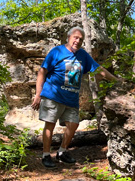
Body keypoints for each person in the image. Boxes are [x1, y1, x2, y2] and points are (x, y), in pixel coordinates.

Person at [31, 26, 122, 168]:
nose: (78, 41)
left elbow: (98, 69)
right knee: (50, 125)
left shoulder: (83, 56)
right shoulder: (57, 52)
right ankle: (46, 155)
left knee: (73, 125)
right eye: (75, 37)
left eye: (80, 39)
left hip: (71, 99)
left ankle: (62, 152)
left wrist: (116, 80)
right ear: (68, 37)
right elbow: (42, 72)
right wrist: (38, 94)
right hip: (53, 95)